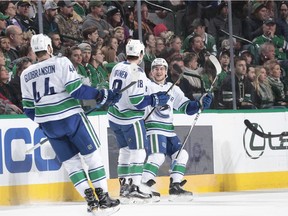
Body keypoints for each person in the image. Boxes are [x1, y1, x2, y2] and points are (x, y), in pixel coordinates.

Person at [20, 34, 121, 215]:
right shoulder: (61, 62)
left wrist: (43, 122)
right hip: (71, 119)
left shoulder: (25, 74)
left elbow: (28, 108)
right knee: (92, 157)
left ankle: (91, 202)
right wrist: (101, 95)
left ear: (34, 51)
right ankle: (104, 199)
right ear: (50, 48)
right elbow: (77, 90)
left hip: (49, 126)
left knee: (71, 164)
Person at [107, 39, 170, 203]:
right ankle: (134, 187)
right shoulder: (138, 71)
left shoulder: (117, 66)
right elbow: (137, 101)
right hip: (130, 118)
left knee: (125, 150)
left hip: (114, 116)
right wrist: (154, 100)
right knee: (139, 151)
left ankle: (124, 186)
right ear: (141, 54)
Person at [141, 58, 212, 201]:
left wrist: (199, 104)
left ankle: (175, 186)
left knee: (182, 155)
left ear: (166, 72)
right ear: (151, 72)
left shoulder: (174, 89)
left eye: (162, 68)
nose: (159, 71)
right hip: (153, 128)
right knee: (158, 156)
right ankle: (143, 185)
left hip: (168, 130)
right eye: (156, 68)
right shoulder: (146, 86)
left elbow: (186, 107)